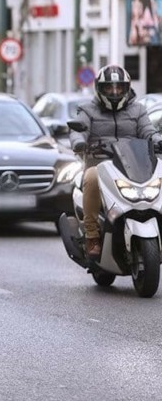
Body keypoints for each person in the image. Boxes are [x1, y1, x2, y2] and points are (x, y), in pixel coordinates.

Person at [70, 64, 162, 260]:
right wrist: (78, 142)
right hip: (100, 163)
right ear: (100, 88)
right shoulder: (87, 109)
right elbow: (79, 130)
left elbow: (148, 131)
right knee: (91, 177)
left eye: (119, 87)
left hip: (134, 164)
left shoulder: (138, 109)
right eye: (109, 87)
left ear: (126, 88)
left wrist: (157, 141)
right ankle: (92, 236)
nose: (114, 91)